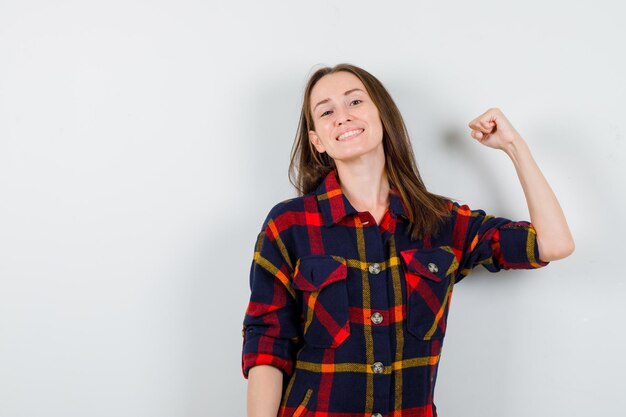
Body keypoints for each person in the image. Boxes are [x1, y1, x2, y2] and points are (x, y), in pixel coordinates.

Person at [241, 63, 574, 417]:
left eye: (354, 102)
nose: (342, 116)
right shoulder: (289, 224)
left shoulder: (440, 222)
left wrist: (513, 146)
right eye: (326, 111)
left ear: (382, 116)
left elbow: (553, 244)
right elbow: (267, 343)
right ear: (317, 141)